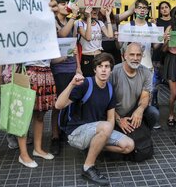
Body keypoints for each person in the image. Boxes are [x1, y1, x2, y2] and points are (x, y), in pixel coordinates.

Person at [55, 53, 134, 186]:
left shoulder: (109, 89)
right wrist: (71, 84)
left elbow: (111, 118)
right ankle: (88, 167)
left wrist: (105, 135)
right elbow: (58, 105)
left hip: (96, 131)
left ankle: (94, 147)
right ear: (94, 69)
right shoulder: (86, 84)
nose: (103, 69)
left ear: (111, 70)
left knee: (129, 146)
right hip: (76, 133)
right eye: (100, 66)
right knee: (107, 127)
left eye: (107, 66)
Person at [51, 0, 82, 155]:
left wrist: (78, 67)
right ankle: (55, 137)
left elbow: (74, 46)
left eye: (66, 3)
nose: (64, 6)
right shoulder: (53, 23)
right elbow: (63, 35)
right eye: (61, 4)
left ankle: (66, 131)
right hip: (59, 69)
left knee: (72, 102)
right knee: (58, 104)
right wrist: (74, 16)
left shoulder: (74, 24)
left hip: (71, 68)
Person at [111, 43, 160, 133]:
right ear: (125, 55)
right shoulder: (114, 72)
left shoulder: (146, 72)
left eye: (138, 55)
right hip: (115, 113)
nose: (135, 58)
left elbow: (145, 96)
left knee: (153, 113)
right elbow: (106, 102)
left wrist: (140, 110)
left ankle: (145, 134)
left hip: (134, 112)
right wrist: (118, 120)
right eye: (132, 54)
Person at [77, 6, 113, 77]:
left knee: (99, 78)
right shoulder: (79, 23)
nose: (95, 11)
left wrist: (108, 16)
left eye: (97, 8)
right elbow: (88, 37)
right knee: (89, 80)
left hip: (99, 56)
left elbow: (110, 35)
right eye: (92, 8)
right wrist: (89, 17)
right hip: (87, 57)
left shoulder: (99, 23)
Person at [152, 1, 172, 107]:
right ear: (159, 10)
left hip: (170, 56)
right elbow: (153, 41)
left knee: (170, 82)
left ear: (170, 9)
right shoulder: (156, 22)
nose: (164, 9)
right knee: (156, 81)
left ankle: (172, 104)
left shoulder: (174, 21)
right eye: (162, 8)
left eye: (166, 7)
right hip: (157, 55)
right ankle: (154, 101)